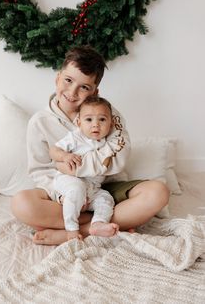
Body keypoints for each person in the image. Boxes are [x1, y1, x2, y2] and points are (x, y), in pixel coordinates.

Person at [11, 45, 170, 245]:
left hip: (105, 187)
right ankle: (101, 223)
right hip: (64, 191)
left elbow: (117, 158)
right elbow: (40, 170)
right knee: (22, 204)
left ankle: (76, 231)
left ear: (95, 91)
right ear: (58, 77)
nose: (72, 92)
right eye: (68, 80)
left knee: (158, 192)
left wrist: (69, 166)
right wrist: (64, 194)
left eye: (84, 87)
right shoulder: (39, 122)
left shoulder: (107, 114)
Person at [50, 96, 119, 241]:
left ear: (111, 123)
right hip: (69, 180)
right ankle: (71, 229)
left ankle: (98, 223)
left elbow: (108, 165)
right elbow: (53, 150)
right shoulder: (75, 137)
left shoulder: (109, 143)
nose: (96, 125)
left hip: (92, 187)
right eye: (89, 120)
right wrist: (64, 156)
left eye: (102, 119)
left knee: (106, 199)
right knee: (76, 189)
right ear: (79, 122)